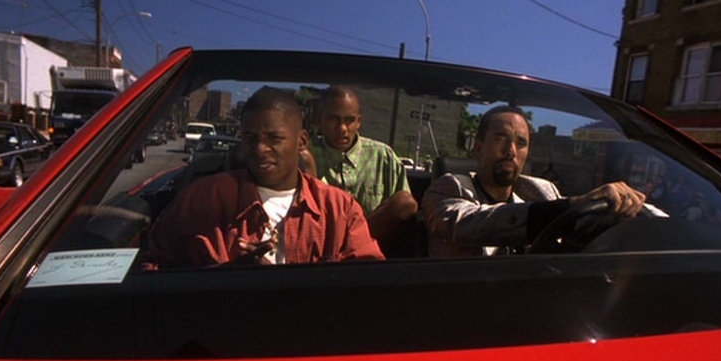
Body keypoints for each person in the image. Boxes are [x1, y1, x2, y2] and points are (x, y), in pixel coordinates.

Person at [145, 87, 384, 268]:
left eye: (273, 138)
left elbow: (367, 286)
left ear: (302, 141)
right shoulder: (203, 199)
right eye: (250, 138)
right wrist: (224, 281)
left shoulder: (339, 210)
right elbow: (152, 267)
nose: (259, 149)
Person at [421, 105, 645, 257]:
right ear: (478, 148)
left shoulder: (540, 190)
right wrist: (573, 205)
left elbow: (577, 218)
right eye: (501, 139)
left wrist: (622, 205)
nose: (511, 151)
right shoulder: (448, 188)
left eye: (521, 143)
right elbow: (471, 224)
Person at [303, 85, 417, 253]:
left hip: (371, 256)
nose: (342, 128)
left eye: (349, 120)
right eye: (333, 119)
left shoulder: (383, 157)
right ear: (320, 120)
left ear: (359, 122)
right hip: (318, 251)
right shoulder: (306, 155)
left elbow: (403, 216)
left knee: (404, 201)